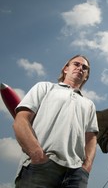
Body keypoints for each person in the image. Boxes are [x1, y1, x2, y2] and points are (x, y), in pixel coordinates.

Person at [13, 55, 98, 188]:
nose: (80, 68)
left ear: (86, 76)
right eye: (76, 64)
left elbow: (91, 138)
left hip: (76, 175)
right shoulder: (44, 87)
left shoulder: (89, 104)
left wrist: (86, 167)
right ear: (65, 69)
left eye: (85, 68)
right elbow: (21, 120)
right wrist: (37, 155)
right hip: (40, 166)